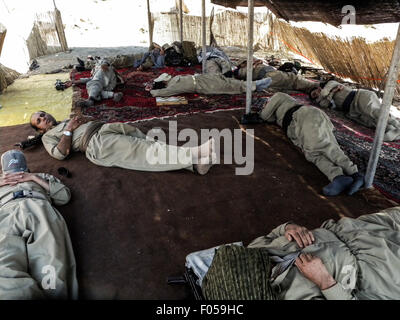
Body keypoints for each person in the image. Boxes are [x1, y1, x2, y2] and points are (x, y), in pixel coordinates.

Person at [246, 205, 400, 299]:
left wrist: (288, 227)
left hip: (353, 228)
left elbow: (271, 235)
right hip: (381, 268)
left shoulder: (251, 253)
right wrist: (325, 282)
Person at [30, 111, 216, 175]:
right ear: (40, 130)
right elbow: (60, 154)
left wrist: (80, 121)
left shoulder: (63, 120)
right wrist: (69, 129)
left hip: (103, 129)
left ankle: (194, 165)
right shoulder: (48, 137)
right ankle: (194, 154)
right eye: (39, 120)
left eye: (42, 114)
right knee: (141, 150)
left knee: (142, 140)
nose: (43, 118)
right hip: (96, 143)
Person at [0, 150, 78, 299]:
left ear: (26, 168)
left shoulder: (41, 177)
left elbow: (64, 196)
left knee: (51, 267)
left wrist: (34, 178)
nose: (17, 176)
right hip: (5, 212)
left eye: (20, 172)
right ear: (4, 171)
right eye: (12, 173)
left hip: (38, 207)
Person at [259, 92, 364, 196]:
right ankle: (338, 177)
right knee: (312, 154)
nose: (265, 105)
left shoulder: (278, 95)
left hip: (305, 116)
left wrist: (265, 109)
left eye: (266, 103)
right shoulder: (279, 110)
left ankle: (354, 173)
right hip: (295, 128)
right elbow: (270, 118)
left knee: (324, 146)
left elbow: (265, 116)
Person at [310, 80, 400, 141]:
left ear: (318, 88)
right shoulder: (327, 96)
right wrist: (333, 92)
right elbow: (323, 104)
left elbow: (324, 93)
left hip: (359, 97)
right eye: (315, 96)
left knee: (375, 113)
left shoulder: (330, 83)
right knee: (372, 122)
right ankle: (394, 132)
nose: (317, 95)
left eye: (315, 92)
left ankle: (398, 125)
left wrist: (326, 94)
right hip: (353, 111)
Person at [149, 72, 272, 97]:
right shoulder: (172, 87)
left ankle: (252, 85)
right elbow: (161, 93)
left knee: (226, 81)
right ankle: (255, 85)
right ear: (164, 82)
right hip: (203, 86)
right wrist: (151, 91)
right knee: (227, 87)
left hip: (202, 78)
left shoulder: (175, 78)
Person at [234, 58, 319, 93]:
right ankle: (316, 87)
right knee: (292, 79)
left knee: (291, 81)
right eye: (245, 62)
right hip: (270, 77)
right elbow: (246, 74)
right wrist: (254, 64)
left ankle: (315, 88)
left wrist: (256, 63)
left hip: (273, 76)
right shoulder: (242, 70)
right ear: (242, 65)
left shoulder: (255, 65)